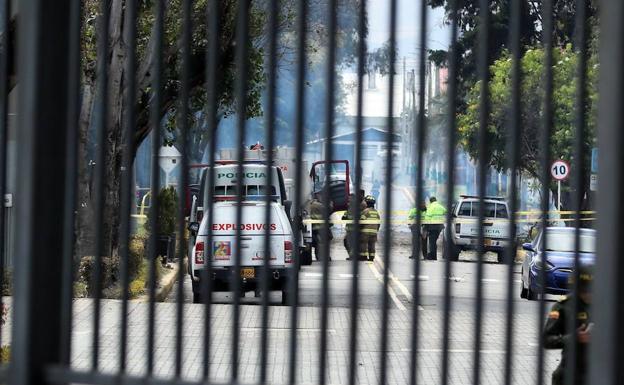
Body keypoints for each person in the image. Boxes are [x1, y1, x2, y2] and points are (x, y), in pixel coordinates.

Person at [544, 266, 593, 385]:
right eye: (583, 290)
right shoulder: (563, 306)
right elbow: (546, 340)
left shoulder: (608, 305)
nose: (587, 295)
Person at [308, 190, 333, 261]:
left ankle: (320, 256)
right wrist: (330, 203)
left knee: (319, 244)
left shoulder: (312, 203)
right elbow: (329, 209)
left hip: (316, 227)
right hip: (321, 227)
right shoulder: (318, 205)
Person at [343, 193, 366, 260]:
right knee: (347, 242)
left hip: (354, 229)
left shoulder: (358, 207)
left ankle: (354, 256)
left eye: (350, 198)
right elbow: (345, 217)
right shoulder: (350, 207)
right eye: (349, 198)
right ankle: (352, 256)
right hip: (349, 229)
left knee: (352, 243)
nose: (349, 199)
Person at [360, 195, 380, 261]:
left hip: (365, 231)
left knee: (364, 244)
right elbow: (379, 222)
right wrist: (376, 230)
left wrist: (360, 229)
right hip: (374, 232)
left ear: (366, 203)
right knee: (372, 245)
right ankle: (371, 257)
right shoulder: (376, 212)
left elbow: (362, 221)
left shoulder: (365, 211)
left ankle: (364, 257)